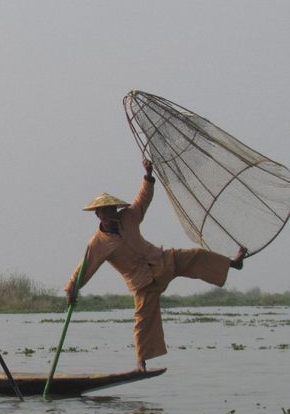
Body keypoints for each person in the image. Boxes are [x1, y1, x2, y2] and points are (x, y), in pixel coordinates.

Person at [65, 159, 247, 372]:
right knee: (143, 322)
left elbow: (142, 200)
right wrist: (71, 289)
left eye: (110, 210)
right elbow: (85, 267)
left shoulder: (129, 218)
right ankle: (141, 363)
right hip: (142, 283)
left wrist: (148, 177)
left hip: (162, 261)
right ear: (98, 215)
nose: (108, 215)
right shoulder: (97, 243)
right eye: (103, 212)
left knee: (196, 255)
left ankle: (233, 264)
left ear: (116, 210)